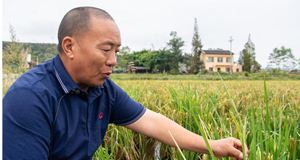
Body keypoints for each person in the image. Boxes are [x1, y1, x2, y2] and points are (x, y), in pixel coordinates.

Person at [3, 7, 249, 160]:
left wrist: (213, 146)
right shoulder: (30, 98)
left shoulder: (103, 90)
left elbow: (152, 122)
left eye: (117, 51)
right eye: (106, 49)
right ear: (70, 47)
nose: (113, 61)